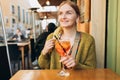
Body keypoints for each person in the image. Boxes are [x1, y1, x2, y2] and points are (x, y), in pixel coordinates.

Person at [38, 1, 96, 70]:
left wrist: (77, 65)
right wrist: (44, 52)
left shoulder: (88, 40)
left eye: (69, 13)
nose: (63, 17)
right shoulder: (52, 37)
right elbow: (43, 65)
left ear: (77, 17)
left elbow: (92, 69)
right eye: (60, 13)